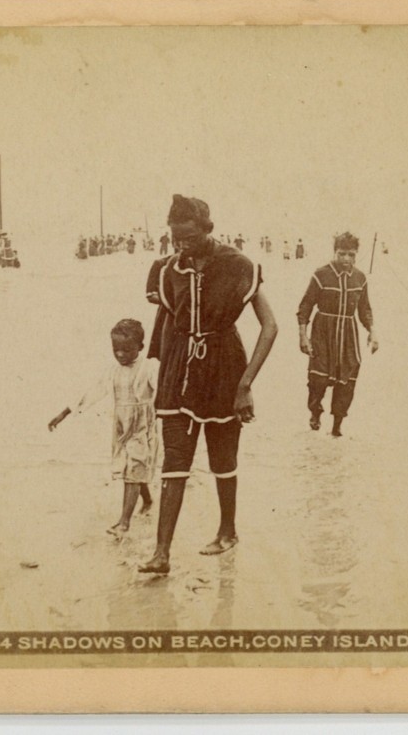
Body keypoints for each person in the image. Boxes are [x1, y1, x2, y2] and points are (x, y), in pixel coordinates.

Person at [140, 195, 278, 574]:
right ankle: (161, 554)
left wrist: (245, 384)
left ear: (206, 229)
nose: (180, 244)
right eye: (174, 237)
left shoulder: (238, 265)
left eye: (187, 236)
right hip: (180, 372)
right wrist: (161, 378)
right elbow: (166, 325)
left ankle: (227, 531)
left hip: (224, 367)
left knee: (223, 460)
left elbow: (270, 326)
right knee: (175, 461)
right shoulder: (168, 270)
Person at [48, 319, 157, 535]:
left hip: (143, 425)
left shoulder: (150, 367)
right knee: (129, 466)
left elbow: (165, 391)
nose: (120, 355)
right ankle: (147, 499)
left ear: (140, 347)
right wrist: (64, 413)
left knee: (134, 466)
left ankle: (124, 522)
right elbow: (93, 392)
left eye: (126, 350)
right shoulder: (113, 371)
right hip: (121, 425)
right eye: (116, 349)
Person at [296, 232, 379, 437]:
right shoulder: (321, 274)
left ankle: (337, 425)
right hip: (323, 331)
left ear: (356, 254)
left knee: (347, 380)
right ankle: (315, 412)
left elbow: (365, 309)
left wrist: (372, 332)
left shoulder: (360, 278)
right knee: (318, 379)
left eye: (351, 255)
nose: (346, 259)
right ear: (335, 252)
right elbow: (306, 305)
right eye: (342, 254)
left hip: (348, 336)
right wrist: (303, 335)